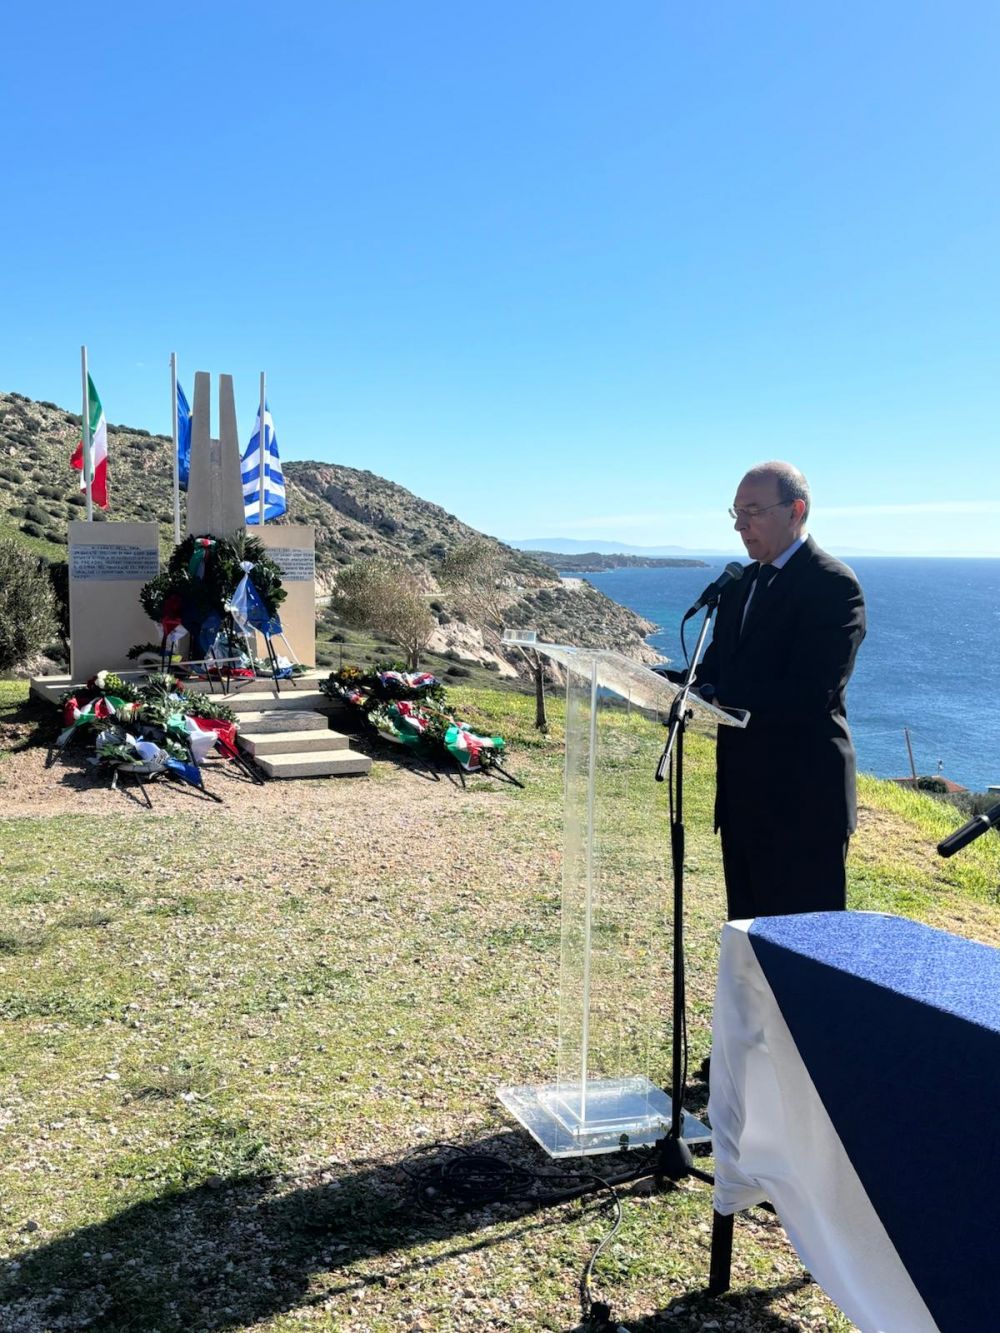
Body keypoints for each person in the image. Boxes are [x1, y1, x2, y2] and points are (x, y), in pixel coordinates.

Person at [680, 461, 866, 920]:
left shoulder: (833, 584)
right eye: (735, 512)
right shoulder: (741, 584)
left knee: (802, 961)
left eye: (754, 511)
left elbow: (813, 688)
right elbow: (718, 667)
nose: (741, 525)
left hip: (802, 805)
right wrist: (674, 681)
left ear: (795, 510)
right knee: (748, 944)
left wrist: (722, 694)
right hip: (743, 800)